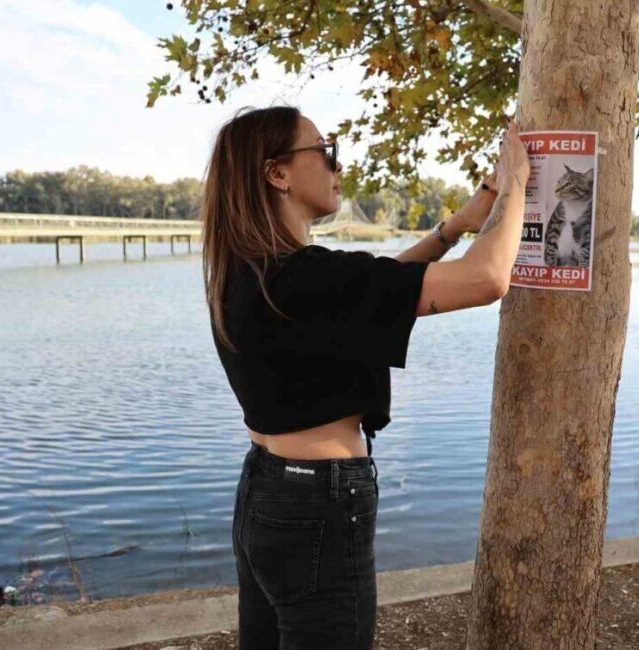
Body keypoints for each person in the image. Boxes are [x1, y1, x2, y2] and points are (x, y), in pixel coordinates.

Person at [202, 105, 528, 649]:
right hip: (316, 509)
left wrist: (456, 226)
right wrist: (518, 182)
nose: (337, 166)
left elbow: (366, 292)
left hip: (266, 494)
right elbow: (488, 277)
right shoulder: (300, 275)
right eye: (324, 150)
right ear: (276, 172)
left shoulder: (252, 272)